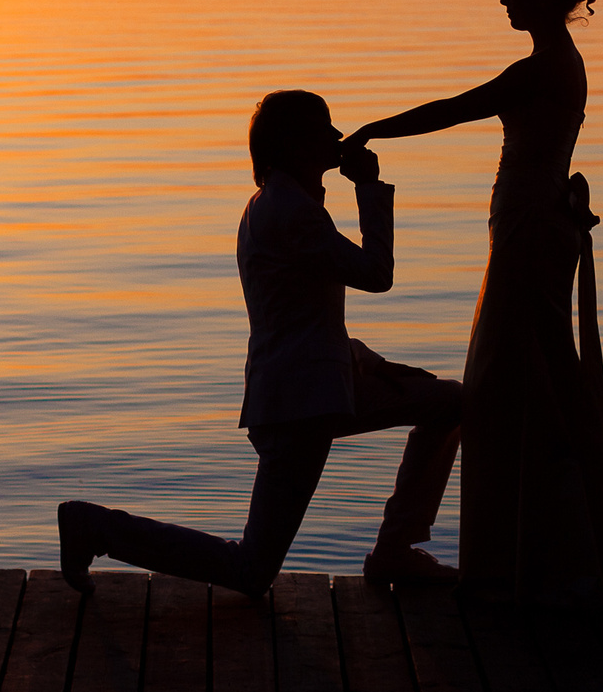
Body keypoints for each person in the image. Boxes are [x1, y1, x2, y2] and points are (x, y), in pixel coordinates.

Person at [351, 0, 603, 609]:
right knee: (519, 389)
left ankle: (529, 559)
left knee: (510, 387)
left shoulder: (545, 68)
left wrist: (373, 129)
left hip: (528, 240)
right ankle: (528, 553)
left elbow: (453, 108)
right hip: (528, 233)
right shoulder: (556, 64)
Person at [57, 89, 465, 596]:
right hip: (300, 403)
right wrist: (369, 186)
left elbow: (306, 319)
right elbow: (376, 274)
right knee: (250, 570)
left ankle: (395, 551)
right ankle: (95, 527)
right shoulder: (291, 213)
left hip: (322, 386)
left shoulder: (279, 204)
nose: (338, 136)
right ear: (295, 145)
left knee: (448, 402)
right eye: (324, 128)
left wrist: (373, 366)